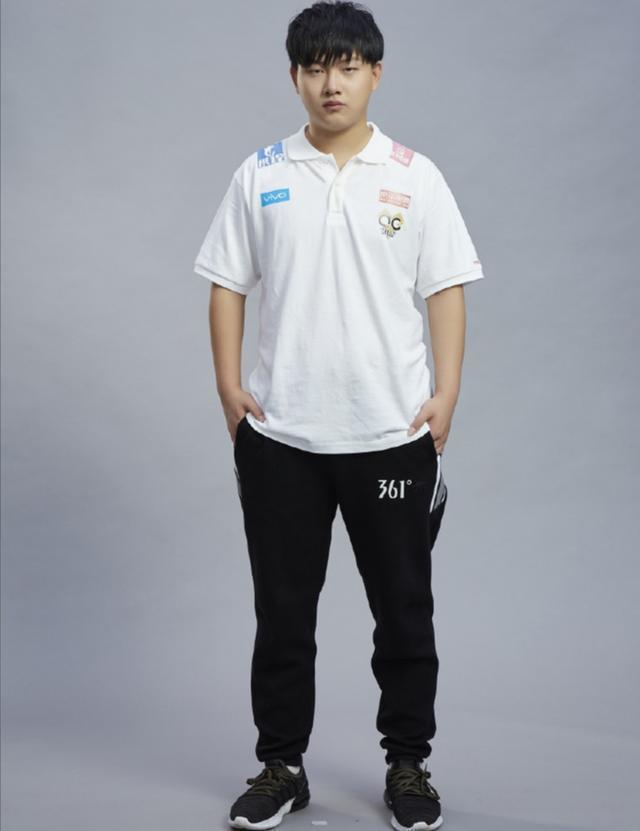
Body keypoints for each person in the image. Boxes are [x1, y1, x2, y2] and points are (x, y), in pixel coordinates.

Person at [193, 2, 485, 828]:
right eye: (316, 66)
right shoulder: (260, 173)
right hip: (282, 436)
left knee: (404, 609)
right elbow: (225, 282)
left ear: (375, 74)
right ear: (295, 76)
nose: (332, 82)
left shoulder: (415, 176)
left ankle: (409, 766)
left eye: (348, 66)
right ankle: (281, 765)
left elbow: (445, 287)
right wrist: (228, 388)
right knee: (283, 612)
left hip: (392, 437)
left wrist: (447, 393)